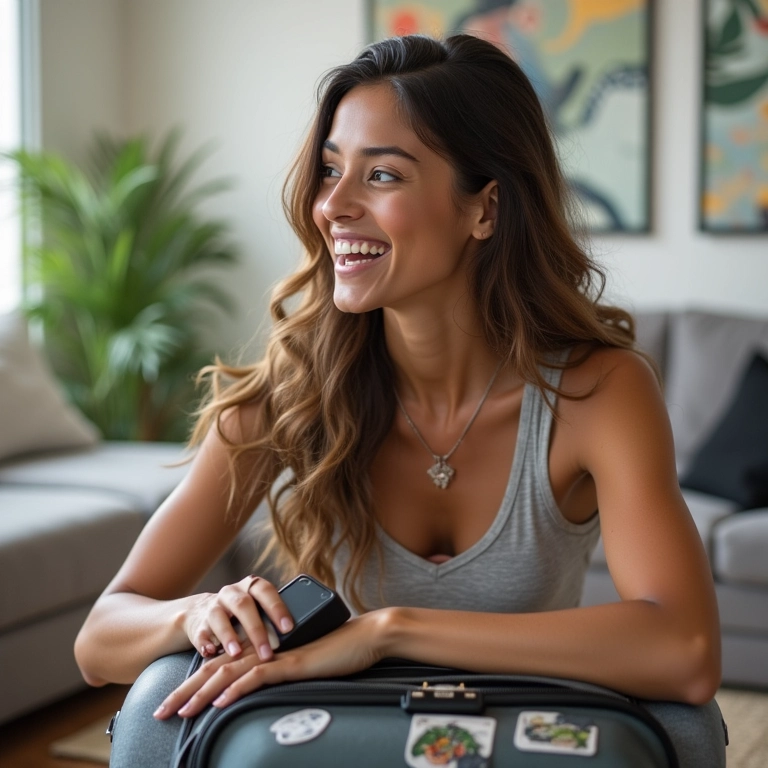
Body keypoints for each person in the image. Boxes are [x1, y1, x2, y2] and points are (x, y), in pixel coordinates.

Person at [75, 34, 724, 763]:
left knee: (689, 729)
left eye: (381, 174)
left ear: (485, 209)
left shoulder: (597, 392)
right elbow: (100, 640)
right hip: (336, 734)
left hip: (513, 730)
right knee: (155, 700)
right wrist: (197, 613)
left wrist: (386, 631)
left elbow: (686, 648)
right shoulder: (289, 395)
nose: (332, 206)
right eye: (329, 170)